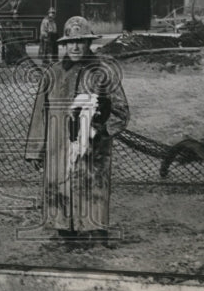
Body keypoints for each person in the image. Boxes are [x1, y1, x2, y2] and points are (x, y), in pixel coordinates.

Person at [25, 16, 129, 243]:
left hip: (92, 151)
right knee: (60, 187)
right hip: (57, 146)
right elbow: (39, 114)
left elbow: (121, 112)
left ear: (89, 43)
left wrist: (99, 131)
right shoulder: (53, 73)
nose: (75, 46)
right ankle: (65, 232)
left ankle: (94, 233)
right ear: (64, 44)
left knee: (90, 191)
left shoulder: (103, 72)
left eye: (81, 41)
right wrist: (36, 149)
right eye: (70, 42)